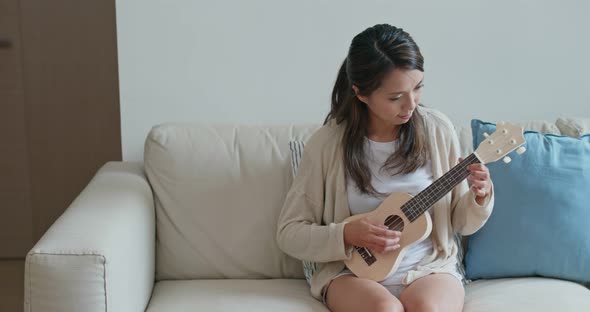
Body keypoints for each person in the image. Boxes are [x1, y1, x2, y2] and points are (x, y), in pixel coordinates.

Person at [276, 24, 494, 312]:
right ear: (361, 94)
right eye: (396, 97)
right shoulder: (327, 144)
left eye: (418, 88)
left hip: (428, 268)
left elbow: (460, 222)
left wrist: (480, 197)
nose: (411, 104)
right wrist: (345, 234)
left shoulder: (438, 130)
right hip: (353, 273)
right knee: (385, 310)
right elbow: (289, 233)